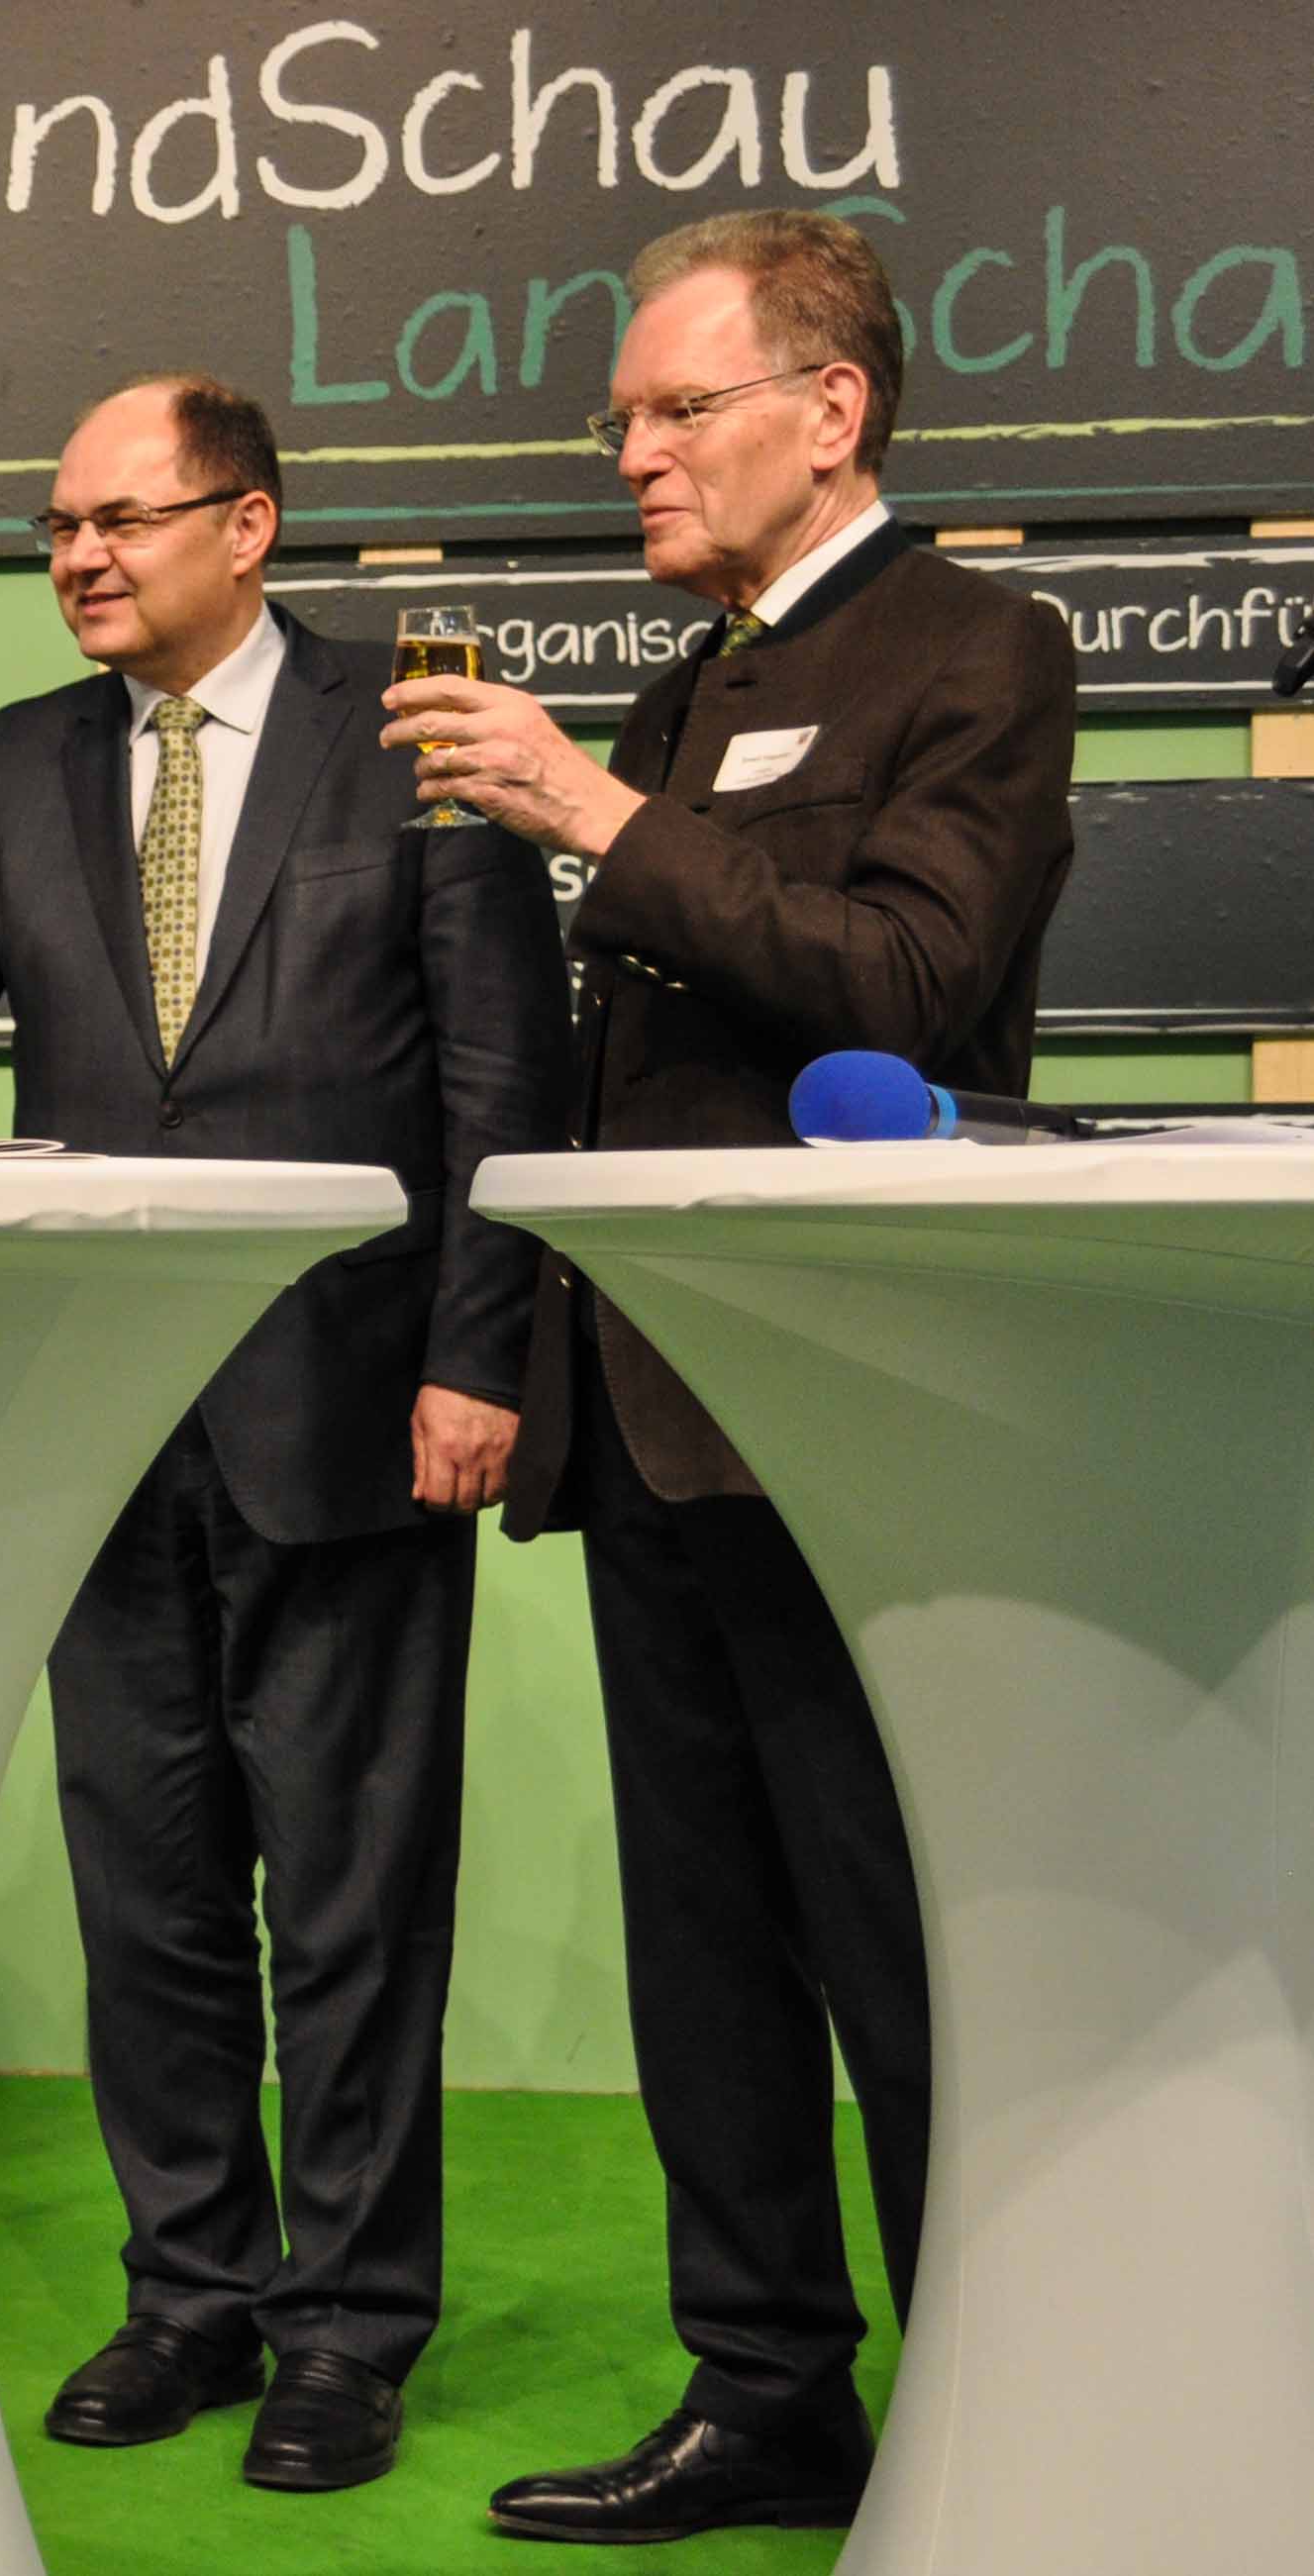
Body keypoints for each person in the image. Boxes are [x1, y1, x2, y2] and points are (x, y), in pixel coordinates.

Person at [0, 372, 573, 2492]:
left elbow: (503, 1073)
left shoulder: (417, 736)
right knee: (149, 1884)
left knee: (357, 1901)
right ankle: (189, 2292)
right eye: (58, 528)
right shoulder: (15, 761)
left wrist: (481, 1355)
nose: (79, 558)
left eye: (120, 519)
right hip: (98, 1425)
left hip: (357, 1404)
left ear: (249, 524)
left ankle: (348, 2328)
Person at [383, 210, 1076, 2544]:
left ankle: (994, 2397)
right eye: (623, 418)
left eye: (680, 407)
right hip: (655, 1400)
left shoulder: (979, 647)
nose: (635, 453)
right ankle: (768, 2382)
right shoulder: (697, 685)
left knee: (899, 1934)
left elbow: (908, 981)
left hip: (853, 1411)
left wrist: (597, 816)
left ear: (832, 408)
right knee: (705, 1945)